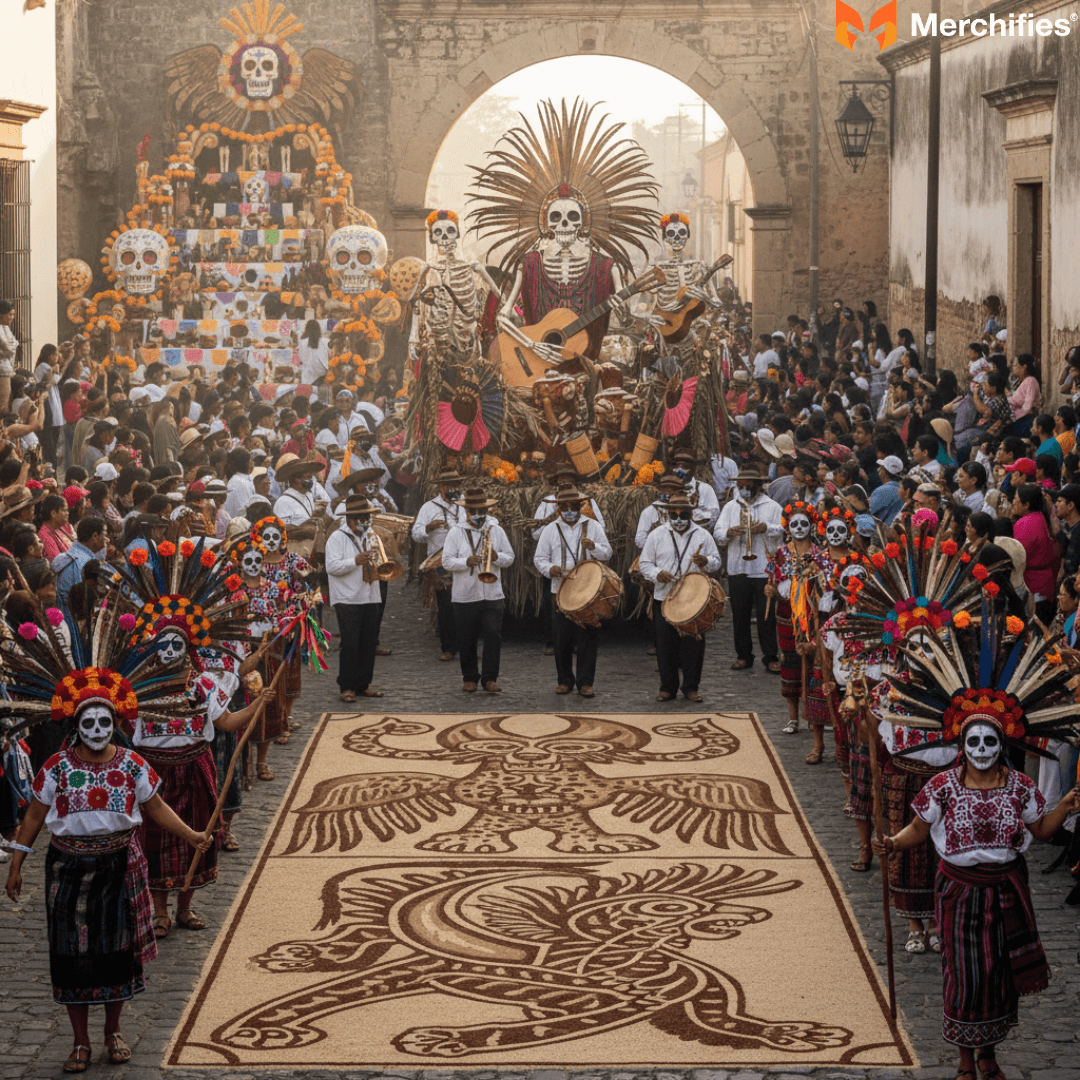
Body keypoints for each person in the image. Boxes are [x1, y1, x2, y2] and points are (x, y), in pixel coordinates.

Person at [639, 490, 722, 702]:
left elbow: (717, 561)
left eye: (683, 515)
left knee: (693, 645)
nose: (678, 519)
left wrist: (707, 562)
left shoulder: (703, 535)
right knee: (665, 645)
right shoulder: (656, 535)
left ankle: (691, 687)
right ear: (667, 515)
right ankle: (667, 687)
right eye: (673, 515)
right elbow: (644, 564)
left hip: (694, 599)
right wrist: (658, 574)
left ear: (690, 514)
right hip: (664, 596)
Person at [533, 484, 613, 697]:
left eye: (573, 506)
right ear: (559, 509)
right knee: (562, 638)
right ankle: (565, 681)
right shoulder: (550, 530)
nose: (569, 510)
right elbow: (539, 559)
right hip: (560, 590)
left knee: (588, 637)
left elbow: (608, 553)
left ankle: (585, 682)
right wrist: (551, 569)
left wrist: (593, 547)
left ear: (580, 506)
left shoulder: (593, 526)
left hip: (588, 591)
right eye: (564, 506)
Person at [765, 500, 831, 734]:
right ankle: (793, 718)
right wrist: (771, 590)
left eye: (804, 523)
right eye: (795, 524)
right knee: (790, 664)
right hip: (786, 616)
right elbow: (771, 583)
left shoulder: (820, 554)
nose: (800, 528)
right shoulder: (781, 554)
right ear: (788, 527)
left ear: (811, 526)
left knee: (817, 665)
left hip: (814, 618)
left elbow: (826, 585)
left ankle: (819, 716)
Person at [441, 488, 515, 694]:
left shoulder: (496, 530)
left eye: (480, 510)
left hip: (492, 593)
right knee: (466, 638)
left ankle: (490, 678)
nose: (477, 515)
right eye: (472, 511)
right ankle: (470, 677)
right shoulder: (456, 532)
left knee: (493, 636)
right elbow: (446, 561)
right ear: (467, 511)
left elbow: (510, 557)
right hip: (465, 594)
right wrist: (466, 561)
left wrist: (496, 557)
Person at [713, 463, 783, 672]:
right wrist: (728, 532)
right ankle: (743, 655)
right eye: (740, 486)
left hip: (763, 567)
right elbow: (717, 532)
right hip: (738, 567)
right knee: (739, 613)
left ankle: (770, 655)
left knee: (766, 614)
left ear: (757, 486)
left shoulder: (771, 506)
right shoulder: (731, 507)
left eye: (748, 486)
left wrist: (766, 528)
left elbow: (783, 529)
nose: (743, 490)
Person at [324, 495, 385, 702]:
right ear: (350, 519)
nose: (366, 522)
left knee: (368, 643)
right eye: (361, 518)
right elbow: (331, 567)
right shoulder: (337, 538)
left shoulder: (371, 535)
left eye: (367, 517)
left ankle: (363, 685)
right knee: (350, 643)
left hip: (369, 594)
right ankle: (347, 687)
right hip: (347, 597)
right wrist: (354, 561)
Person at [411, 467, 465, 661]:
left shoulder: (465, 504)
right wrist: (428, 527)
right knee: (445, 604)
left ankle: (466, 646)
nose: (454, 488)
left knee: (466, 604)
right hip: (439, 561)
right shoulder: (429, 507)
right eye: (450, 485)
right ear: (442, 487)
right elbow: (416, 535)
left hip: (463, 560)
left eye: (456, 485)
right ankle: (448, 647)